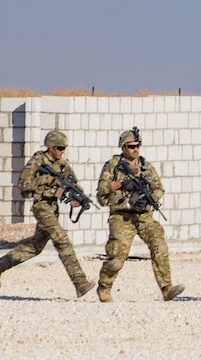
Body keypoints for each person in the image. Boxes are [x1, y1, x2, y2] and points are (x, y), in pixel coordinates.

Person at [0, 130, 95, 297]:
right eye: (59, 148)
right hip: (41, 207)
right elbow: (23, 184)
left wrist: (77, 198)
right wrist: (47, 180)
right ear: (50, 147)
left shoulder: (63, 165)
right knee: (61, 239)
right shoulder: (38, 161)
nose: (61, 151)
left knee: (34, 247)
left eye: (64, 148)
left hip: (53, 209)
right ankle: (80, 282)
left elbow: (73, 186)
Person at [95, 128, 183, 303]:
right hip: (122, 218)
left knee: (160, 246)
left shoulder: (145, 166)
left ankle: (167, 288)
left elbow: (158, 188)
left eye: (138, 145)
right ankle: (104, 287)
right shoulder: (112, 166)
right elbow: (101, 193)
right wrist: (120, 184)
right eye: (131, 146)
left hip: (144, 216)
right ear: (123, 147)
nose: (135, 149)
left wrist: (150, 200)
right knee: (117, 259)